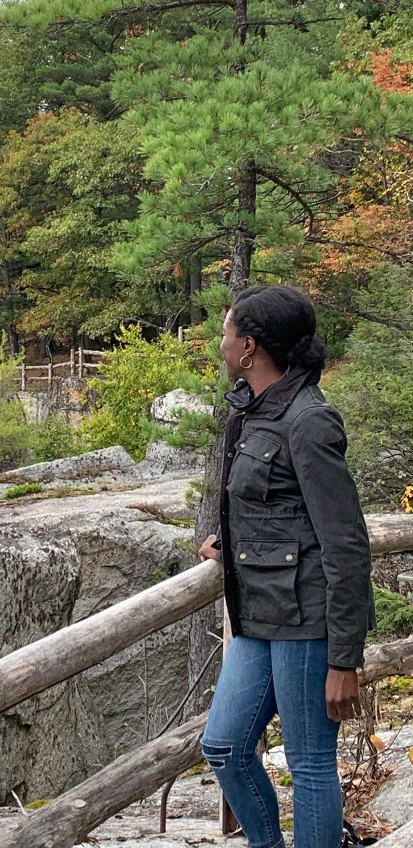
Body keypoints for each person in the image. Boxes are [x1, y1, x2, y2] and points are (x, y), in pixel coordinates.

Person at [198, 285, 375, 848]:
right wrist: (227, 543)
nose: (220, 344)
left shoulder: (309, 420)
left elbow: (345, 542)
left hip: (308, 620)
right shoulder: (253, 409)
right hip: (256, 613)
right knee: (224, 744)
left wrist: (344, 658)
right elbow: (270, 504)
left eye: (226, 334)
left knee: (310, 765)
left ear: (249, 347)